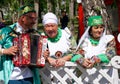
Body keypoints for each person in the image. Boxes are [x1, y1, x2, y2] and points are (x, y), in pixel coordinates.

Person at [0, 5, 49, 84]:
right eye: (31, 18)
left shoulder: (36, 34)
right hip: (11, 77)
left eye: (35, 18)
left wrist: (44, 55)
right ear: (23, 18)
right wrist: (5, 51)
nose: (34, 21)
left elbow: (43, 54)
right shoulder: (5, 32)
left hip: (30, 77)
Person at [71, 15, 116, 83]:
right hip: (88, 78)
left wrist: (96, 59)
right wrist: (82, 60)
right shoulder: (85, 41)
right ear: (90, 30)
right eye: (96, 28)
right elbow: (76, 55)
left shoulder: (109, 39)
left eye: (101, 27)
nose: (99, 30)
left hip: (106, 78)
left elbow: (110, 54)